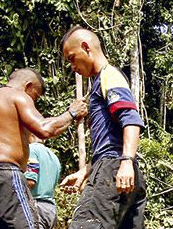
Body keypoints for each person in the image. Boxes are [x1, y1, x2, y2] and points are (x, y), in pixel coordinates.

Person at [59, 26, 147, 229]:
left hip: (114, 168)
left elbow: (131, 120)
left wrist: (126, 162)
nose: (72, 66)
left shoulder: (109, 76)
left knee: (86, 224)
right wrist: (86, 171)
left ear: (85, 47)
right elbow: (110, 141)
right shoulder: (101, 81)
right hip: (117, 168)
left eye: (72, 58)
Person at [0, 68, 87, 229]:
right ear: (28, 86)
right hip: (5, 173)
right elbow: (45, 129)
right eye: (36, 96)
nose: (34, 101)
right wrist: (72, 113)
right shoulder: (18, 96)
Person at [25, 135, 62, 229]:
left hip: (36, 208)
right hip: (50, 210)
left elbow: (30, 181)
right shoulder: (54, 157)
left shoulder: (31, 150)